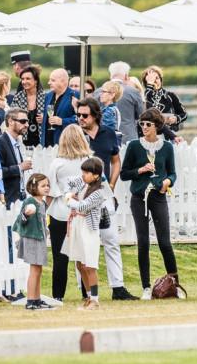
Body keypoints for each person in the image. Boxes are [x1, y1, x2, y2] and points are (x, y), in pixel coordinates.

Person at [74, 95, 134, 300]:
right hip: (83, 195)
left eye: (84, 115)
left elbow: (116, 161)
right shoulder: (75, 135)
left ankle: (118, 287)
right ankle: (86, 289)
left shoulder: (109, 134)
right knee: (84, 244)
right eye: (78, 115)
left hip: (105, 193)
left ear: (95, 116)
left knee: (111, 240)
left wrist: (112, 184)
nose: (80, 118)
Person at [121, 107, 179, 299]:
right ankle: (146, 287)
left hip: (158, 196)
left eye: (148, 124)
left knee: (164, 242)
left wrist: (167, 182)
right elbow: (124, 174)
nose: (144, 127)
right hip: (139, 198)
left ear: (157, 126)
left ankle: (175, 284)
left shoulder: (167, 147)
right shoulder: (134, 146)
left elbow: (172, 173)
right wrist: (140, 170)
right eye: (142, 124)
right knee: (143, 242)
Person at [45, 124, 91, 301]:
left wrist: (43, 213)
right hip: (83, 213)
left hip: (60, 213)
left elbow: (50, 191)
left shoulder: (57, 163)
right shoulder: (89, 160)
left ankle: (58, 296)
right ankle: (88, 294)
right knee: (84, 257)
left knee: (60, 258)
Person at [61, 157, 112, 310]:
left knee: (89, 264)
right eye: (82, 171)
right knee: (80, 264)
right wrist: (70, 192)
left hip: (88, 230)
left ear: (96, 175)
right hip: (77, 226)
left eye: (87, 172)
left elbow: (83, 207)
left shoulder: (99, 192)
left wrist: (69, 200)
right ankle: (89, 297)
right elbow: (68, 183)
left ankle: (95, 299)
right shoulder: (83, 184)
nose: (83, 175)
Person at [14, 173, 53, 310]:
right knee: (34, 270)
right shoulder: (29, 202)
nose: (47, 188)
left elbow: (42, 221)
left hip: (40, 238)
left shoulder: (42, 203)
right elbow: (20, 220)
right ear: (33, 186)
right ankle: (30, 300)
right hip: (31, 239)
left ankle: (37, 299)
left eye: (48, 185)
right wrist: (26, 214)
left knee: (39, 269)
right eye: (43, 186)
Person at [0, 108, 32, 207]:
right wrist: (20, 167)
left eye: (27, 122)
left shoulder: (18, 142)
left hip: (21, 198)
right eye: (23, 121)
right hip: (8, 200)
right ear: (10, 121)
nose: (27, 125)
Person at [9, 65, 45, 148]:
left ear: (36, 81)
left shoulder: (45, 97)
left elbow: (53, 115)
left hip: (42, 141)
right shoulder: (18, 97)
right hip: (23, 140)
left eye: (28, 78)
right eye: (22, 79)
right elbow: (11, 117)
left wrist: (45, 118)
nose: (24, 82)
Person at [107, 61, 145, 138]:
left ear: (111, 75)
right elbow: (141, 115)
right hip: (128, 137)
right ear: (126, 76)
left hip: (105, 137)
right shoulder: (133, 92)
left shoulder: (98, 92)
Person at [141, 66, 186, 130]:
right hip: (149, 134)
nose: (154, 81)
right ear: (146, 82)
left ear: (161, 79)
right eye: (151, 79)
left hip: (169, 134)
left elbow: (184, 114)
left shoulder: (170, 96)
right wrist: (150, 85)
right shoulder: (142, 97)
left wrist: (176, 118)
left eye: (157, 78)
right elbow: (147, 99)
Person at [43, 68, 78, 147]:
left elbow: (80, 119)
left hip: (66, 144)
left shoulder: (75, 95)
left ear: (63, 81)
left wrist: (62, 121)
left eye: (53, 80)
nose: (49, 83)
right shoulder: (48, 96)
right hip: (47, 144)